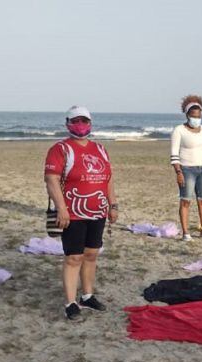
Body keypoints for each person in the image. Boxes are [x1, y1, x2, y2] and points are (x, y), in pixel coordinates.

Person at [44, 105, 118, 322]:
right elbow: (51, 179)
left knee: (91, 254)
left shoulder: (100, 149)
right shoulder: (60, 149)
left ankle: (87, 295)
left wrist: (113, 205)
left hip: (97, 211)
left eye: (84, 121)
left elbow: (109, 179)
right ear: (68, 123)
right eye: (76, 120)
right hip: (72, 213)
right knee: (74, 257)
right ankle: (70, 302)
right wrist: (62, 208)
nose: (81, 125)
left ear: (91, 124)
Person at [170, 95, 202, 241]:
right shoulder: (179, 130)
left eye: (199, 115)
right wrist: (178, 172)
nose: (196, 118)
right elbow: (174, 154)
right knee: (186, 201)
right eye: (194, 116)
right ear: (187, 115)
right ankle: (186, 233)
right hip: (187, 170)